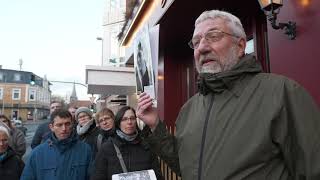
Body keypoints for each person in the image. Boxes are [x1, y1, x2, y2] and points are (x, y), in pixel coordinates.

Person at [137, 10, 320, 180]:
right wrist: (155, 126)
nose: (202, 48)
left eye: (214, 36)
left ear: (240, 46)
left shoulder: (282, 93)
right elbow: (188, 167)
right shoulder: (189, 109)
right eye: (196, 42)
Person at [91, 106, 162, 180]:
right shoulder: (107, 148)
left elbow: (157, 175)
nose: (129, 122)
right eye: (124, 119)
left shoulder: (146, 145)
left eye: (132, 118)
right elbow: (97, 176)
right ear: (118, 123)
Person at [21, 109, 93, 180]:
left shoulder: (85, 150)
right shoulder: (37, 154)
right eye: (59, 125)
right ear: (51, 127)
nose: (64, 128)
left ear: (72, 125)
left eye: (67, 124)